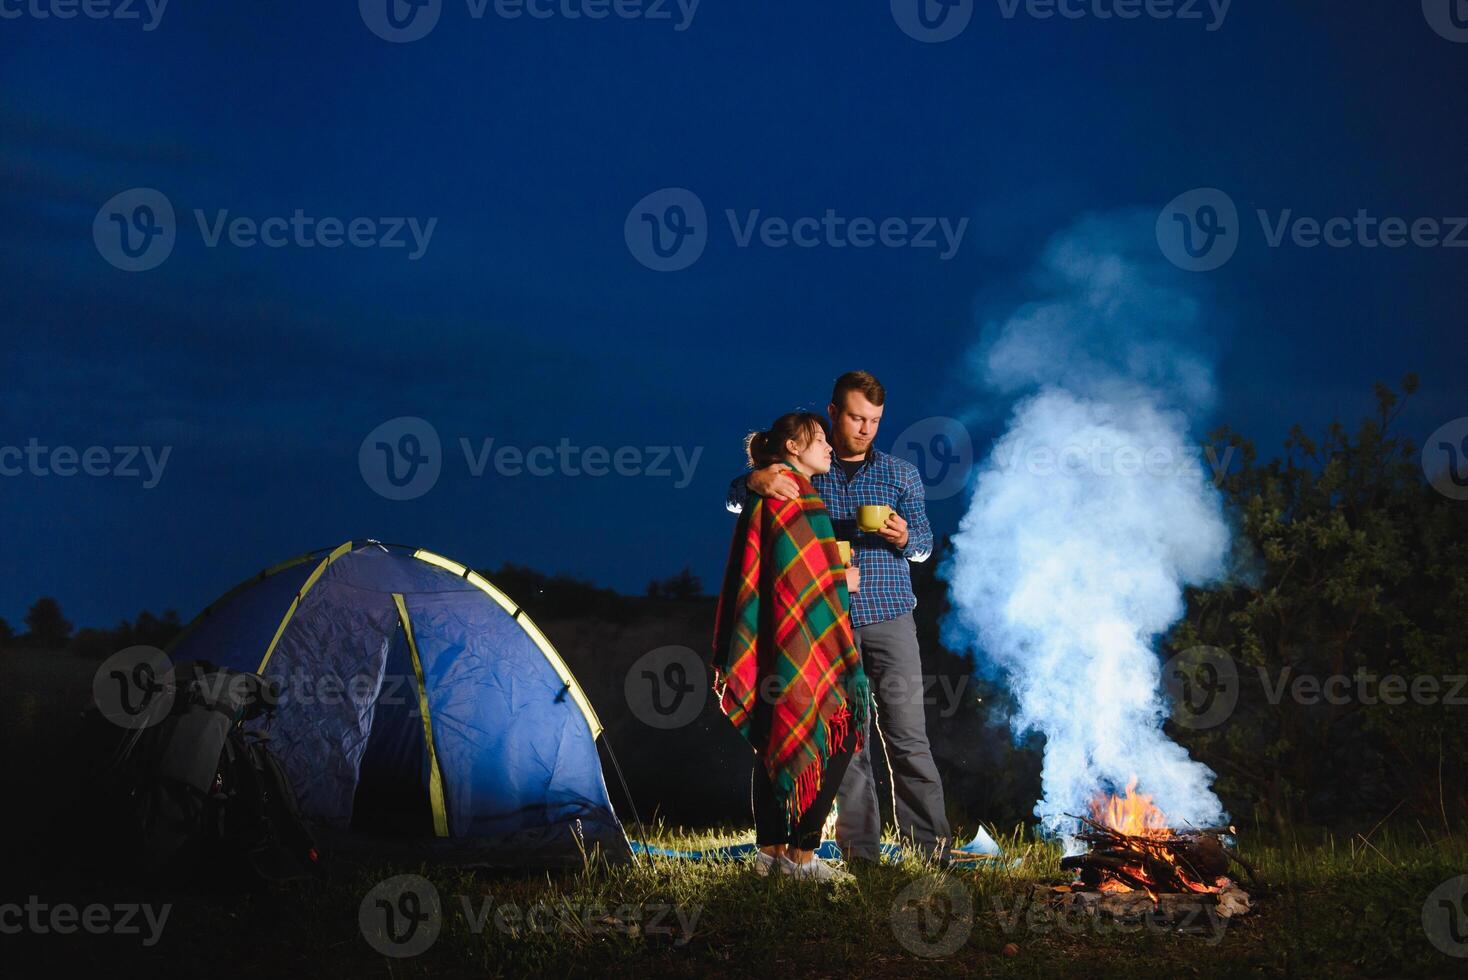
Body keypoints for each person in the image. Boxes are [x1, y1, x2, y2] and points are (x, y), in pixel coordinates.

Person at [725, 371, 952, 866]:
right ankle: (860, 857)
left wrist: (903, 538)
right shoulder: (806, 467)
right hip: (824, 624)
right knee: (846, 742)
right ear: (833, 413)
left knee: (908, 736)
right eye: (855, 417)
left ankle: (930, 853)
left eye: (874, 420)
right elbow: (739, 502)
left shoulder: (899, 474)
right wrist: (752, 479)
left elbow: (924, 546)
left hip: (889, 616)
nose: (866, 428)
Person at [711, 411, 871, 882]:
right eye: (818, 438)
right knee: (841, 726)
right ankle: (801, 855)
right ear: (793, 447)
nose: (827, 446)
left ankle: (771, 853)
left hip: (778, 637)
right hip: (803, 642)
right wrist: (842, 579)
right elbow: (800, 578)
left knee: (775, 730)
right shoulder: (786, 489)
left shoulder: (785, 487)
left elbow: (789, 571)